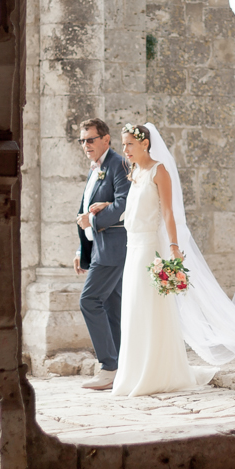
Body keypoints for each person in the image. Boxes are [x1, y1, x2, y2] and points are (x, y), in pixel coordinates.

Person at [94, 123, 235, 398]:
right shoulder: (134, 172)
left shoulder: (160, 171)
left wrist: (173, 246)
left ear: (145, 144)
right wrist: (105, 206)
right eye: (123, 146)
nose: (125, 151)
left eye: (129, 145)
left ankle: (156, 371)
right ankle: (133, 371)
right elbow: (134, 207)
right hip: (132, 248)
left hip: (149, 249)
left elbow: (168, 213)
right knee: (134, 309)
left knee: (150, 308)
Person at [71, 118, 131, 391]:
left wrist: (92, 223)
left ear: (106, 139)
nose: (86, 145)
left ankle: (108, 366)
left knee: (90, 300)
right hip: (99, 247)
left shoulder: (117, 164)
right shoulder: (95, 168)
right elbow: (87, 209)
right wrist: (82, 248)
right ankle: (118, 366)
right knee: (111, 307)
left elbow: (123, 204)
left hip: (114, 248)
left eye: (91, 139)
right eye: (83, 140)